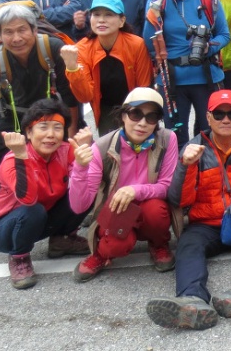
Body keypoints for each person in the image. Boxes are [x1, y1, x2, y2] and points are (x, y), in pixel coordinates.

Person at [146, 90, 231, 330]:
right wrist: (185, 166)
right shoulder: (192, 148)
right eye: (219, 114)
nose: (226, 120)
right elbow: (178, 199)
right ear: (208, 118)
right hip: (206, 222)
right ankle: (192, 299)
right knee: (188, 246)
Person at [0, 2, 78, 214]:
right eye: (8, 32)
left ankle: (63, 229)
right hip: (11, 117)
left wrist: (70, 137)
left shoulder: (52, 48)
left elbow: (70, 98)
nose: (16, 38)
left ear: (34, 29)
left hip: (52, 117)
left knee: (72, 162)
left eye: (22, 30)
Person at [68, 87, 178, 282]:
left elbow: (167, 186)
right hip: (116, 209)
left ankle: (158, 243)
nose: (142, 123)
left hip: (148, 203)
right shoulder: (101, 148)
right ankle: (100, 254)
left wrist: (134, 190)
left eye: (151, 117)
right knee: (116, 247)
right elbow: (79, 206)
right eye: (136, 114)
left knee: (157, 210)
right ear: (123, 115)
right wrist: (79, 169)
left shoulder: (168, 139)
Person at [0, 99, 92, 289]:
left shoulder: (66, 151)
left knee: (87, 188)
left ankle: (61, 241)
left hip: (40, 218)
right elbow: (28, 199)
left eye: (57, 128)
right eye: (43, 127)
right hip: (4, 229)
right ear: (28, 132)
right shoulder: (12, 159)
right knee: (33, 210)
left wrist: (84, 158)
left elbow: (83, 195)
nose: (50, 135)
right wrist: (21, 156)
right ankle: (19, 257)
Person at [143, 0, 230, 148]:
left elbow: (224, 34)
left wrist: (210, 46)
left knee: (209, 133)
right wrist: (153, 10)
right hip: (172, 80)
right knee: (175, 136)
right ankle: (180, 177)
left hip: (206, 76)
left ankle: (208, 175)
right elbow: (148, 42)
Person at [61, 0, 154, 135]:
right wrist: (72, 68)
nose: (101, 20)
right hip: (105, 109)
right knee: (110, 151)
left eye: (109, 15)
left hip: (135, 106)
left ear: (121, 21)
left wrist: (139, 115)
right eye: (96, 15)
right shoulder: (82, 48)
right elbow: (84, 96)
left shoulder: (136, 44)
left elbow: (144, 85)